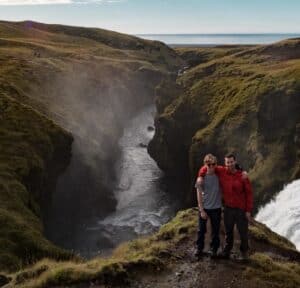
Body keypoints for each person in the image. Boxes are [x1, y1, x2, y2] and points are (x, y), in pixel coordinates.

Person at [198, 153, 253, 260]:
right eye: (227, 162)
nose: (230, 164)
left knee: (243, 232)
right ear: (225, 163)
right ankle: (227, 251)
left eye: (231, 162)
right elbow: (207, 166)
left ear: (235, 162)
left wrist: (248, 210)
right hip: (228, 208)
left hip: (241, 209)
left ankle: (244, 252)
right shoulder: (221, 171)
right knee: (228, 232)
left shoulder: (242, 175)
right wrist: (200, 175)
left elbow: (249, 193)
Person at [195, 154, 222, 259]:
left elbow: (231, 170)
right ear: (205, 164)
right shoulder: (201, 179)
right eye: (208, 164)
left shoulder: (220, 176)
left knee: (215, 231)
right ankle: (199, 248)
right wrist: (201, 210)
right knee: (201, 230)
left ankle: (214, 249)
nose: (211, 166)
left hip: (216, 208)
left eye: (213, 164)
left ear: (216, 164)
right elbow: (198, 195)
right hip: (205, 208)